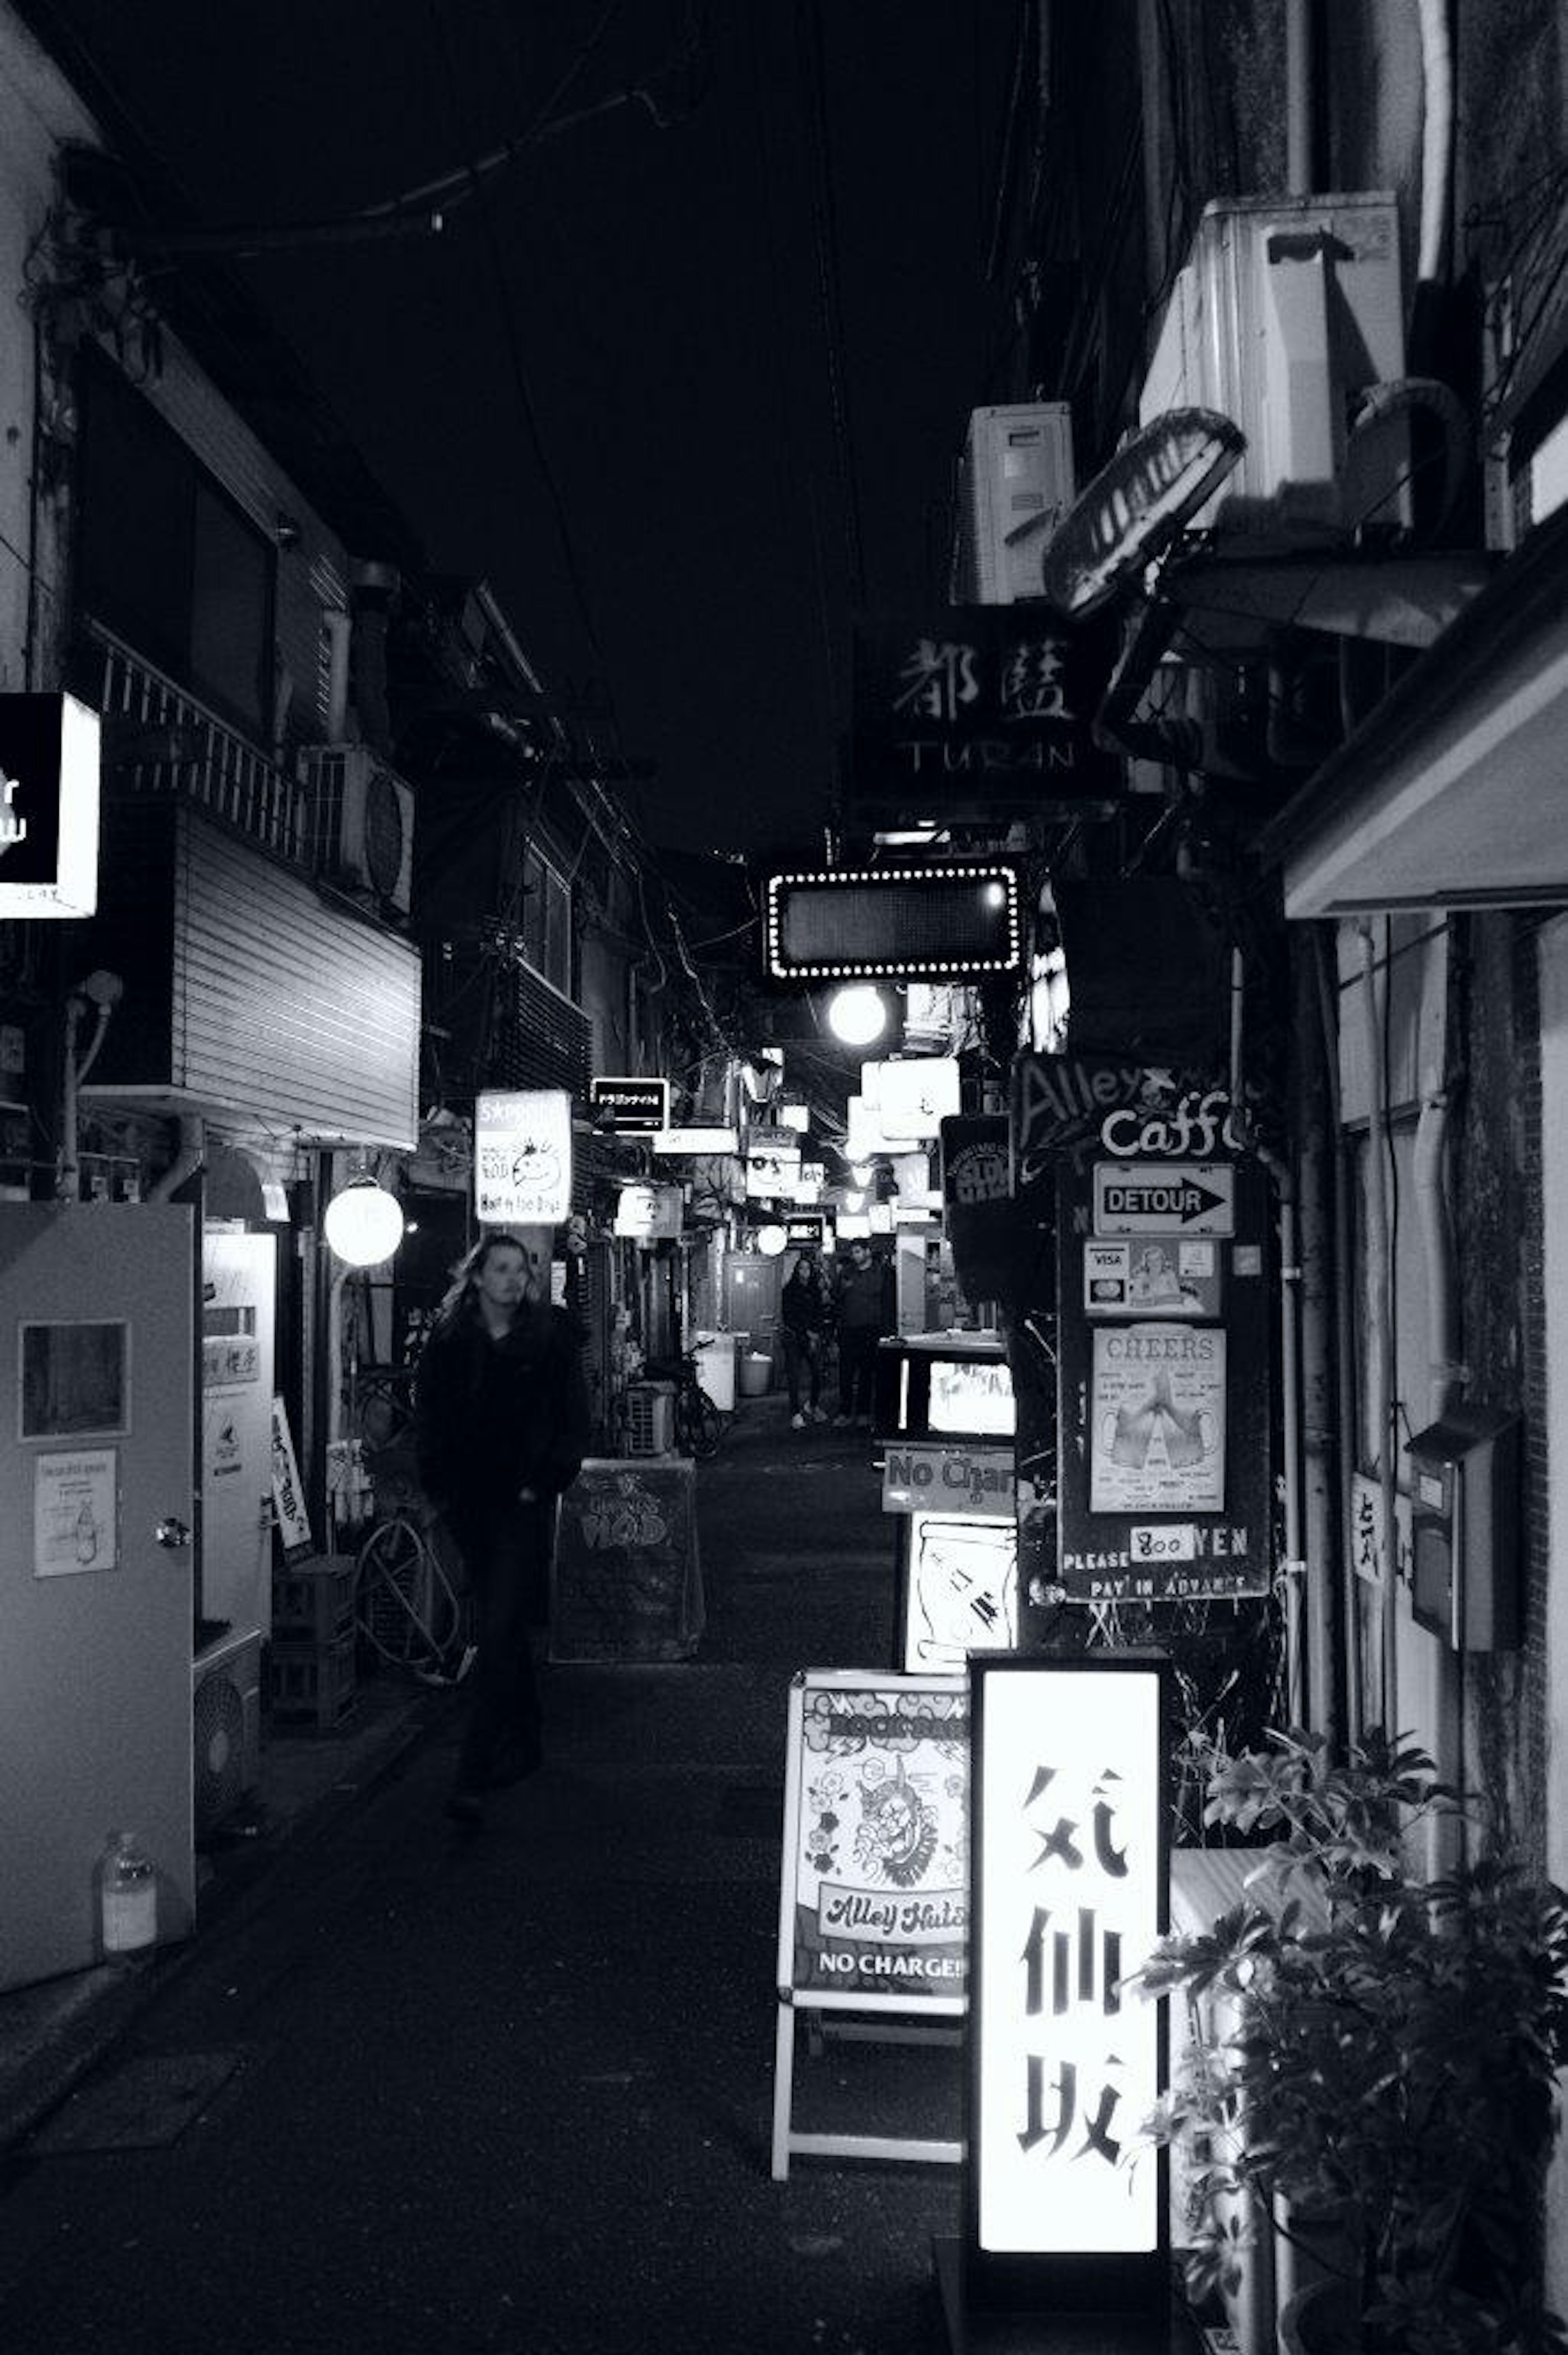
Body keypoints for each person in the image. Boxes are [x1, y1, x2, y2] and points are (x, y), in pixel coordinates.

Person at [413, 1231, 591, 1826]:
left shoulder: (550, 1339)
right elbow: (431, 1418)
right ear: (479, 1275)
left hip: (522, 1502)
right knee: (502, 1619)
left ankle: (474, 1769)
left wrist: (543, 1481)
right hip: (469, 1502)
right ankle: (530, 1734)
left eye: (521, 1269)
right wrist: (439, 1484)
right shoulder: (450, 1342)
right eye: (502, 1268)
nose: (514, 1279)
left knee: (494, 1623)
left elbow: (573, 1422)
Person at [832, 1238, 892, 1429]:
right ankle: (845, 1412)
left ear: (867, 1252)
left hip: (871, 1330)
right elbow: (834, 1297)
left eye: (858, 1252)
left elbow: (888, 1302)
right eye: (853, 1252)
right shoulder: (846, 1273)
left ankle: (864, 1413)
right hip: (849, 1330)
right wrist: (843, 1289)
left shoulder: (882, 1272)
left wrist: (887, 1331)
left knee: (867, 1373)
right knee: (846, 1374)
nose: (855, 1256)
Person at [779, 1247, 831, 1429]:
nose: (805, 1272)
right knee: (794, 1377)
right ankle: (795, 1413)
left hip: (812, 1338)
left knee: (817, 1373)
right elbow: (789, 1317)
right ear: (796, 1271)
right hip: (794, 1339)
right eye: (801, 1269)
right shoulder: (789, 1291)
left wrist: (816, 1332)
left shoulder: (815, 1290)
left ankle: (813, 1405)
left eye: (808, 1269)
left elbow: (820, 1312)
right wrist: (807, 1332)